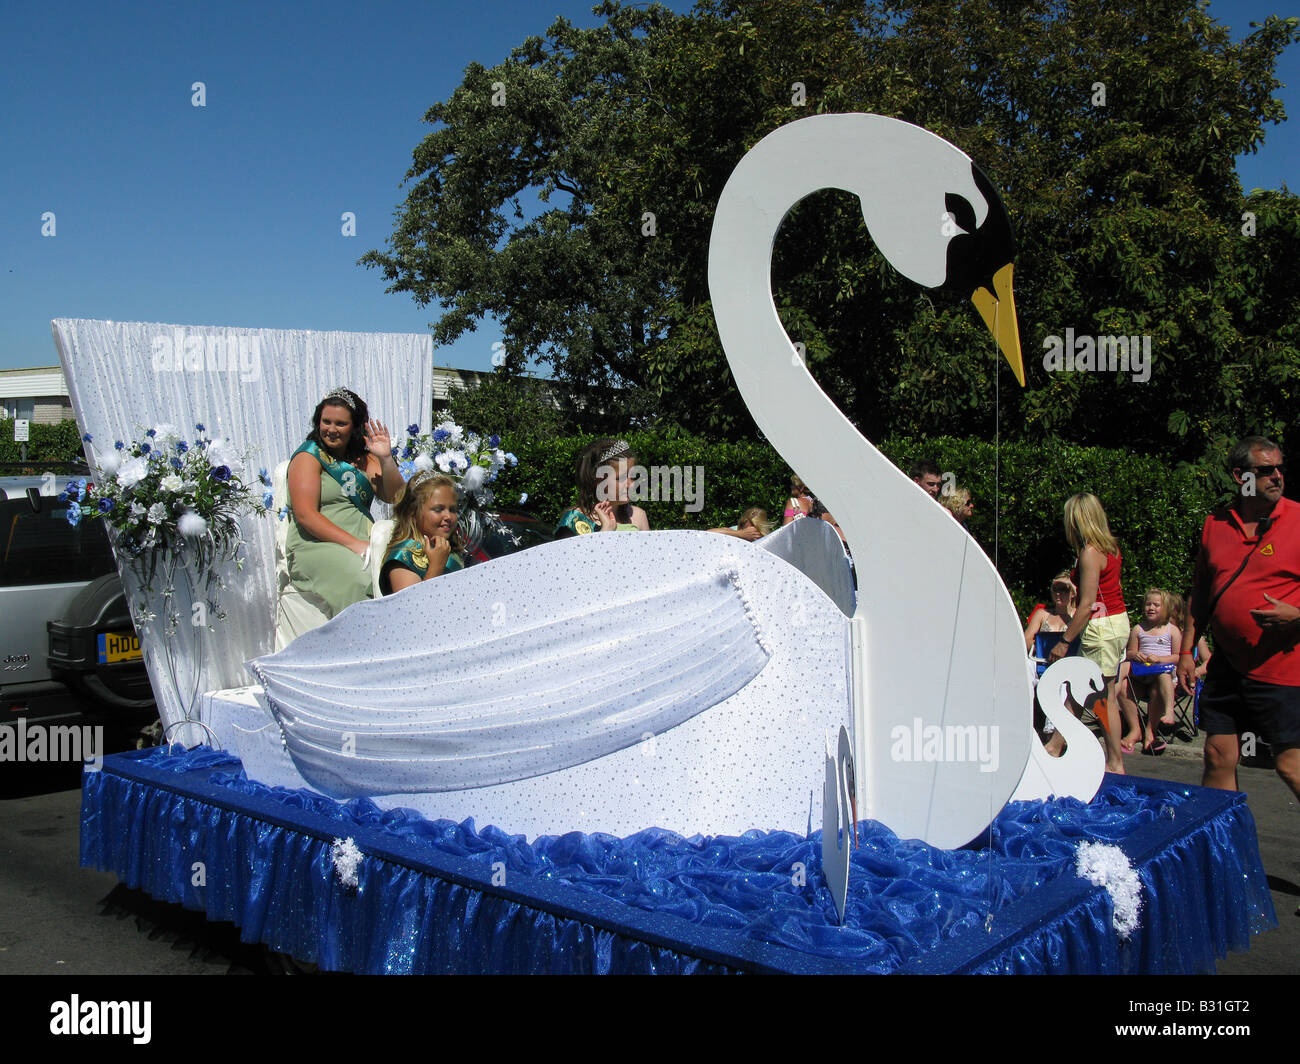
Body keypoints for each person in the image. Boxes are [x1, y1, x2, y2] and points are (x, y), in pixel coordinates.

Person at [1178, 436, 1300, 805]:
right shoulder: (1215, 525)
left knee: (1290, 765)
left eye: (1280, 468)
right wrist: (1186, 651)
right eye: (1265, 470)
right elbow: (1200, 594)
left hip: (1282, 668)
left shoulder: (1297, 519)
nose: (1276, 476)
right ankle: (1218, 854)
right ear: (1240, 476)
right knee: (1217, 755)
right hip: (1228, 667)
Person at [286, 388, 403, 618]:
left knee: (403, 569)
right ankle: (356, 647)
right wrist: (354, 545)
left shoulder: (364, 458)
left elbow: (396, 496)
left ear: (355, 427)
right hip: (316, 543)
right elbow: (305, 516)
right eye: (326, 421)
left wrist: (386, 459)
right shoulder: (308, 456)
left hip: (365, 538)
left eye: (340, 424)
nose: (331, 429)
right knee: (361, 577)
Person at [1049, 492, 1129, 773]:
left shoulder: (1090, 553)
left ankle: (1114, 762)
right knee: (1094, 693)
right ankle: (1056, 748)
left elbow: (1086, 606)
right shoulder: (1111, 547)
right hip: (1117, 621)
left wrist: (1064, 641)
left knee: (1099, 697)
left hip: (1100, 628)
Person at [380, 472, 464, 594]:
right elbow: (412, 608)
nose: (448, 516)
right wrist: (436, 567)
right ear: (412, 512)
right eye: (438, 509)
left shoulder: (449, 550)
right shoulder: (403, 558)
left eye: (453, 510)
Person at [1124, 589, 1181, 755]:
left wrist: (1161, 660)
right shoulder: (1138, 629)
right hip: (1142, 675)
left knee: (1162, 678)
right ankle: (1135, 729)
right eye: (1148, 604)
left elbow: (1178, 657)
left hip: (1163, 676)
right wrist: (1136, 654)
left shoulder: (1172, 630)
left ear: (1166, 608)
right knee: (1123, 683)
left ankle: (1156, 725)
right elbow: (1129, 653)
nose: (1151, 607)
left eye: (1156, 605)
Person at [554, 438, 649, 537]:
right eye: (620, 478)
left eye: (633, 476)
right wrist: (605, 531)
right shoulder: (574, 519)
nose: (631, 484)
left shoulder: (638, 516)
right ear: (597, 480)